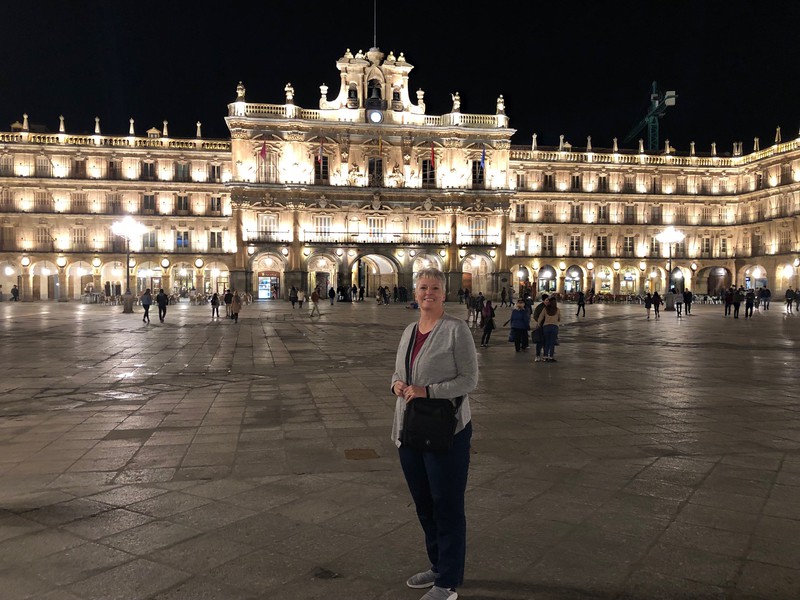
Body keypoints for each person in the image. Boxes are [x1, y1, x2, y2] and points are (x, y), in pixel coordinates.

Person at [391, 267, 477, 600]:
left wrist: (428, 390)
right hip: (409, 429)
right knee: (424, 505)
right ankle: (439, 564)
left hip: (447, 431)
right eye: (423, 288)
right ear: (415, 293)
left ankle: (448, 582)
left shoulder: (457, 330)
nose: (429, 293)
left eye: (435, 288)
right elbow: (399, 371)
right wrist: (395, 384)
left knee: (447, 505)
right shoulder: (410, 329)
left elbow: (469, 380)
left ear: (444, 293)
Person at [537, 295, 561, 362]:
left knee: (546, 342)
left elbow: (540, 318)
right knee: (552, 342)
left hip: (546, 327)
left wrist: (539, 324)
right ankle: (551, 356)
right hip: (554, 327)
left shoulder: (545, 309)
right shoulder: (557, 310)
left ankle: (545, 356)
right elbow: (559, 319)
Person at [532, 294, 549, 361]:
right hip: (541, 326)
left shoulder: (550, 306)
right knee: (540, 341)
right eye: (547, 300)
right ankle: (537, 355)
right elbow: (535, 316)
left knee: (546, 341)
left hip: (547, 326)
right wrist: (540, 322)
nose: (548, 301)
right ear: (543, 300)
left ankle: (545, 355)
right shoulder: (539, 307)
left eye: (548, 300)